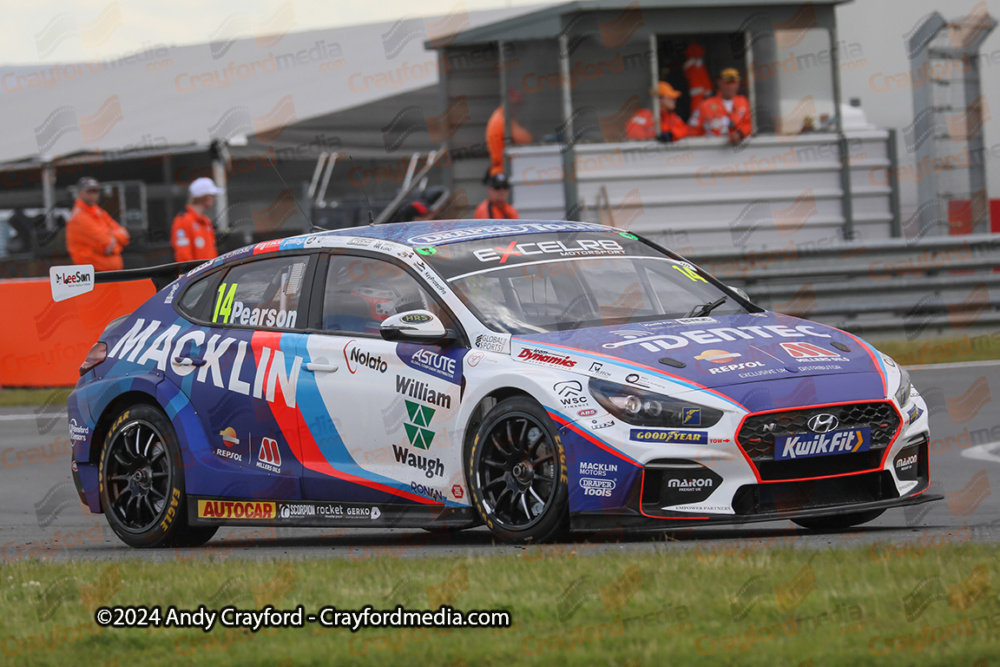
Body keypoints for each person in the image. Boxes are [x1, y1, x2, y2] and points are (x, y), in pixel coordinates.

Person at [65, 177, 130, 271]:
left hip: (109, 272)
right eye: (89, 191)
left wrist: (110, 234)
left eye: (95, 191)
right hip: (92, 275)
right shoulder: (79, 217)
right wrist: (115, 239)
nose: (93, 195)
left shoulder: (98, 211)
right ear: (79, 193)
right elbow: (108, 245)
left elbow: (125, 236)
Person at [688, 68, 753, 145]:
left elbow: (750, 124)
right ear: (720, 83)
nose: (730, 86)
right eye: (727, 83)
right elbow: (692, 131)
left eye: (734, 82)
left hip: (736, 152)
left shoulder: (743, 101)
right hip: (710, 150)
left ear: (738, 84)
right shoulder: (705, 104)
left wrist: (740, 133)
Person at [486, 89, 533, 179]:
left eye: (519, 105)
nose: (518, 108)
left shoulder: (499, 114)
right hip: (501, 172)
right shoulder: (502, 118)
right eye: (515, 105)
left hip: (499, 170)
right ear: (507, 104)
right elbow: (526, 139)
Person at [172, 177, 220, 262]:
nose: (214, 198)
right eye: (212, 195)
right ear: (203, 196)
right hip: (197, 274)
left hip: (211, 273)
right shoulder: (183, 220)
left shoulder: (205, 220)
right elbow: (183, 256)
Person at [624, 82, 689, 143]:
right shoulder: (645, 115)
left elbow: (684, 131)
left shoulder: (672, 117)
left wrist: (671, 135)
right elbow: (633, 133)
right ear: (659, 99)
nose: (674, 100)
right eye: (670, 97)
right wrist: (655, 137)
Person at [683, 42, 713, 112]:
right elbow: (704, 78)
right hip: (699, 95)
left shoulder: (689, 64)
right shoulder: (697, 65)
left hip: (697, 95)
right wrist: (708, 90)